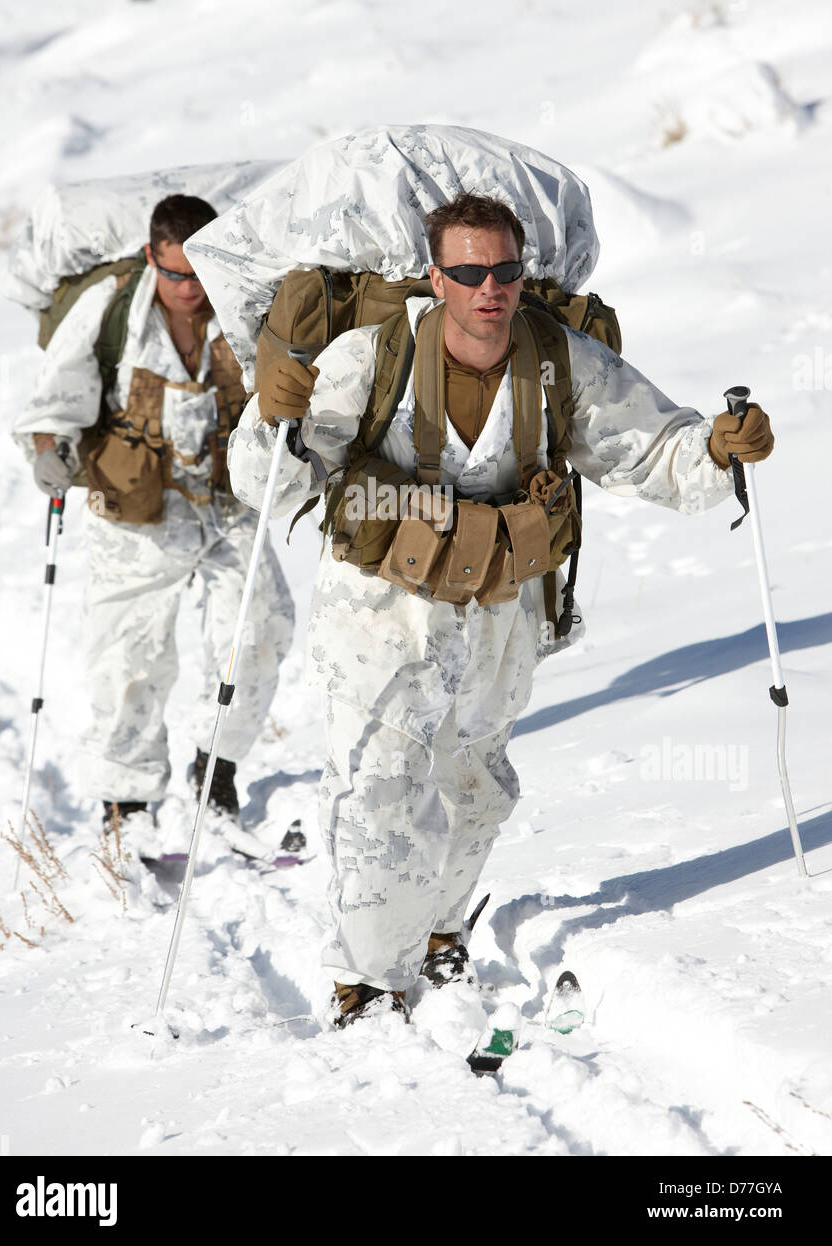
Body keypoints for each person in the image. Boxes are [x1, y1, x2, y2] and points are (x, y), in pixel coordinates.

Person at [226, 192, 774, 1026]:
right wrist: (273, 418)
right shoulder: (367, 357)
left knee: (475, 785)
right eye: (471, 271)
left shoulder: (561, 360)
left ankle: (442, 927)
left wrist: (716, 448)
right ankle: (370, 980)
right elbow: (274, 482)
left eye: (506, 269)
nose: (492, 287)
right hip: (381, 610)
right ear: (436, 277)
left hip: (500, 610)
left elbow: (651, 448)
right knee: (379, 788)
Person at [12, 194, 294, 838]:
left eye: (199, 273)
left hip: (226, 501)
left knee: (257, 633)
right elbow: (58, 394)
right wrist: (48, 447)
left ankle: (214, 770)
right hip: (135, 508)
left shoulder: (245, 300)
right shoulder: (111, 307)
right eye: (174, 274)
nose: (189, 289)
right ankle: (126, 804)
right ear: (150, 257)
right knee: (127, 656)